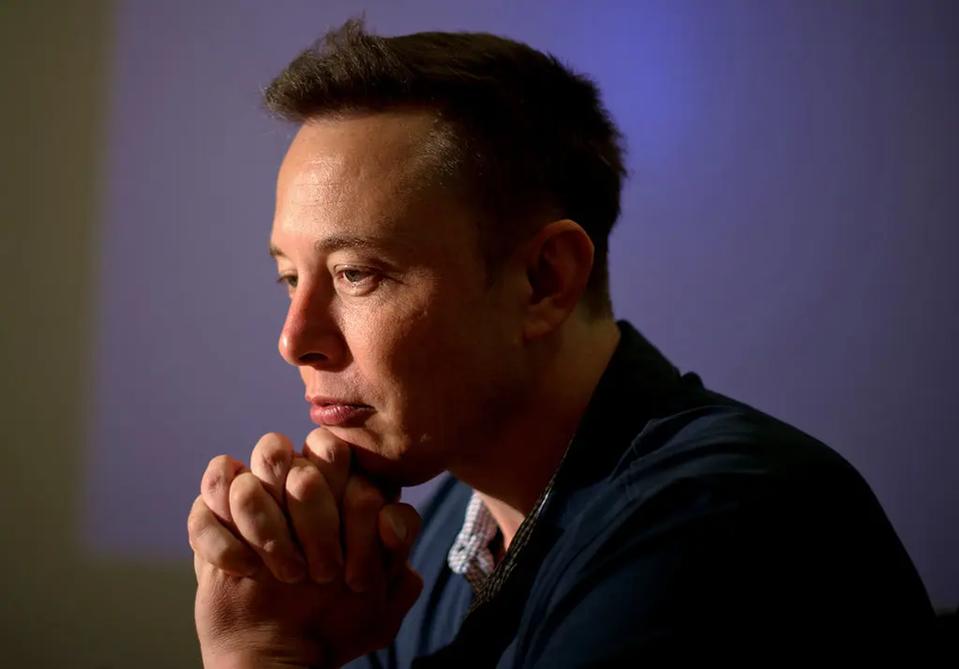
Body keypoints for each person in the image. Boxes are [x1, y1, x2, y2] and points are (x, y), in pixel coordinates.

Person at [186, 19, 935, 668]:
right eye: (290, 278)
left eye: (356, 274)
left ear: (544, 281)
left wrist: (262, 653)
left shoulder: (723, 523)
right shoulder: (440, 529)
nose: (295, 340)